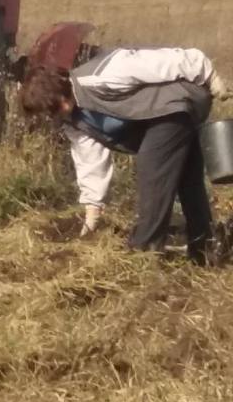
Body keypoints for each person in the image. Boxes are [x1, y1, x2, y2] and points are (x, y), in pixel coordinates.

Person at [19, 47, 230, 263]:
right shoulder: (73, 122)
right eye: (54, 109)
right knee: (188, 180)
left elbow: (161, 61)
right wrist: (92, 215)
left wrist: (209, 74)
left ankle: (145, 250)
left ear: (62, 85)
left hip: (176, 103)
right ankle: (205, 251)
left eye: (61, 98)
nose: (63, 107)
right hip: (168, 117)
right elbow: (90, 163)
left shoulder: (101, 76)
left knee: (151, 166)